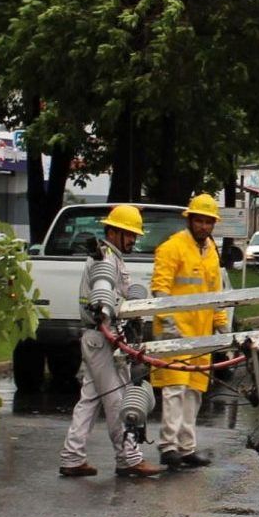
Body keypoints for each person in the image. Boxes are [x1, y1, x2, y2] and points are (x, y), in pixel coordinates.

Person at [59, 204, 156, 480]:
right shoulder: (105, 259)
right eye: (129, 234)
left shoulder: (111, 257)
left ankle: (72, 457)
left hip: (99, 338)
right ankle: (129, 459)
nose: (133, 241)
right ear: (112, 231)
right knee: (116, 400)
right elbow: (104, 300)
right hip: (101, 338)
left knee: (90, 399)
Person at [151, 193, 228, 470]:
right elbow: (160, 288)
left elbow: (214, 292)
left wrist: (220, 324)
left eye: (208, 222)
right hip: (175, 332)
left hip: (201, 332)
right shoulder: (173, 247)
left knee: (194, 390)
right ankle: (169, 446)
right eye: (200, 220)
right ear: (190, 219)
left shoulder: (210, 251)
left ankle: (186, 447)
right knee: (175, 388)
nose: (204, 226)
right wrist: (169, 323)